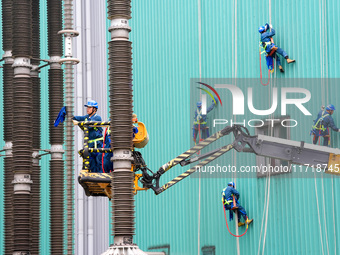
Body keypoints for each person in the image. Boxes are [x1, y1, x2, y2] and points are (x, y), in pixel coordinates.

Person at [73, 100, 103, 172]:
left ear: (94, 109)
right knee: (91, 162)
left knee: (98, 162)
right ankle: (92, 177)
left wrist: (79, 123)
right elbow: (78, 118)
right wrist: (70, 115)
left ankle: (100, 177)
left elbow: (89, 126)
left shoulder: (97, 117)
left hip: (97, 144)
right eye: (87, 107)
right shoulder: (87, 117)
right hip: (90, 144)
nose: (87, 109)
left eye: (90, 107)